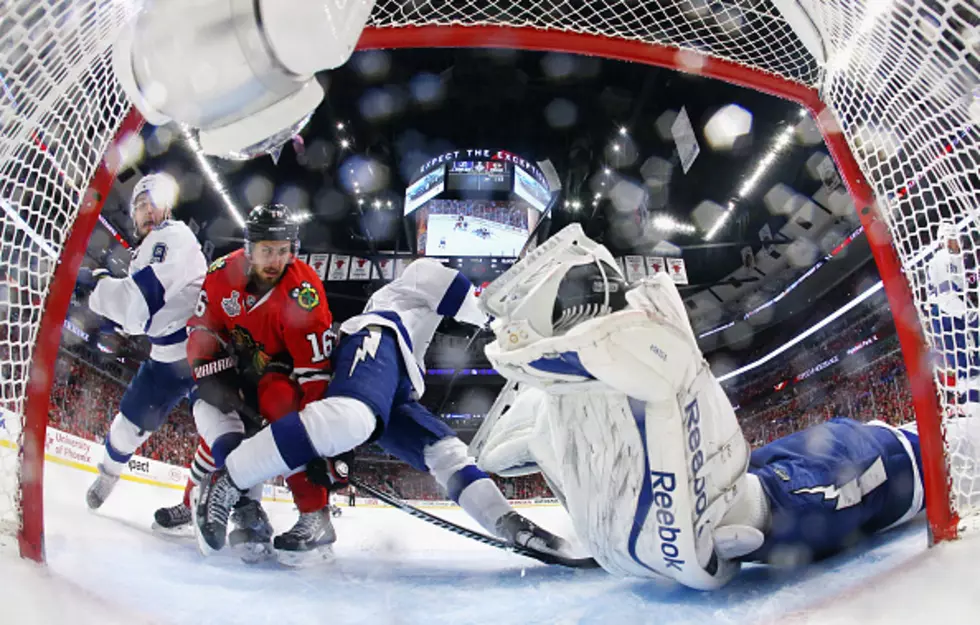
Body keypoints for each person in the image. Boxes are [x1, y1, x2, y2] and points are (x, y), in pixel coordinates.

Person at [467, 224, 941, 589]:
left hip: (866, 465)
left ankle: (758, 504)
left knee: (881, 465)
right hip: (803, 470)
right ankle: (757, 503)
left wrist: (754, 515)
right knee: (783, 482)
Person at [194, 258, 575, 562]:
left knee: (446, 453)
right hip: (377, 335)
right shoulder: (421, 271)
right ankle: (229, 478)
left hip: (400, 386)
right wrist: (523, 322)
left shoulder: (413, 331)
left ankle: (508, 522)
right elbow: (469, 300)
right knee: (353, 417)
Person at [156, 203, 336, 565]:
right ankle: (195, 499)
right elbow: (201, 326)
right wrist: (207, 367)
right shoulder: (222, 273)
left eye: (283, 250)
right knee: (219, 424)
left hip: (280, 372)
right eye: (267, 250)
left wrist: (321, 446)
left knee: (283, 410)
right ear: (249, 248)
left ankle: (315, 514)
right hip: (233, 365)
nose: (275, 260)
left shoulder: (305, 294)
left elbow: (314, 374)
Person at [82, 173, 207, 515]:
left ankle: (207, 506)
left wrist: (98, 286)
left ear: (167, 208)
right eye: (140, 205)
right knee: (127, 427)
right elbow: (135, 319)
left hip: (203, 356)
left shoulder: (173, 236)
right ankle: (108, 475)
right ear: (133, 215)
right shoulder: (145, 251)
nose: (148, 210)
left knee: (220, 428)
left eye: (154, 202)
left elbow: (136, 309)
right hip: (166, 357)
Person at [925, 220, 979, 393]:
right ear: (948, 239)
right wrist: (966, 312)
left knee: (960, 354)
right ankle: (970, 390)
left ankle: (968, 390)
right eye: (956, 238)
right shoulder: (946, 259)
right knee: (963, 351)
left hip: (944, 310)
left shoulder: (944, 259)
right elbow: (946, 291)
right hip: (947, 309)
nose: (959, 242)